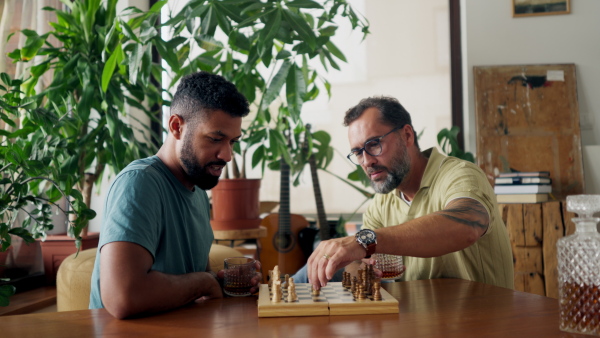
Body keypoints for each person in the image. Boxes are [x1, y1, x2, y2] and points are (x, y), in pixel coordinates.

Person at [89, 71, 261, 319]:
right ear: (176, 126)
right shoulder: (140, 183)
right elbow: (122, 298)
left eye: (233, 142)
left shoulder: (198, 191)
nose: (227, 155)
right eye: (215, 138)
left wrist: (225, 283)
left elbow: (189, 287)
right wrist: (205, 282)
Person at [306, 96, 514, 290]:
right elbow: (360, 261)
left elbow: (466, 227)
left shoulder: (460, 175)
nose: (367, 161)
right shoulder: (382, 201)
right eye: (358, 152)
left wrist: (365, 241)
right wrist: (362, 270)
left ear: (407, 135)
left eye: (374, 144)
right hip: (419, 323)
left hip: (482, 324)